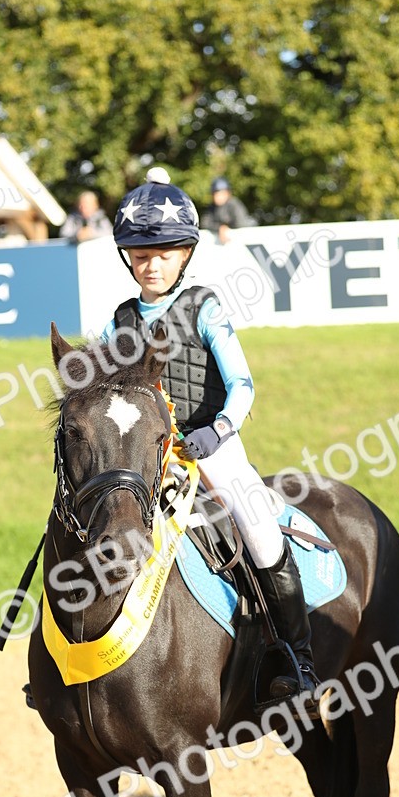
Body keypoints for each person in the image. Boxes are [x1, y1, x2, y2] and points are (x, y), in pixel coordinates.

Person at [98, 167, 319, 710]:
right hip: (150, 461)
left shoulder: (206, 308)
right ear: (127, 256)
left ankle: (299, 660)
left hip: (213, 449)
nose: (151, 264)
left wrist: (217, 431)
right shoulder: (119, 321)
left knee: (260, 531)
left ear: (186, 255)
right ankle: (71, 662)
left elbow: (242, 384)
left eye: (164, 253)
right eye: (140, 253)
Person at [200, 177, 254, 245]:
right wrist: (219, 227)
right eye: (216, 194)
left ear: (228, 193)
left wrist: (226, 227)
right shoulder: (212, 207)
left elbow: (240, 223)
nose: (218, 197)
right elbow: (205, 223)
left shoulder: (234, 204)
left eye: (222, 194)